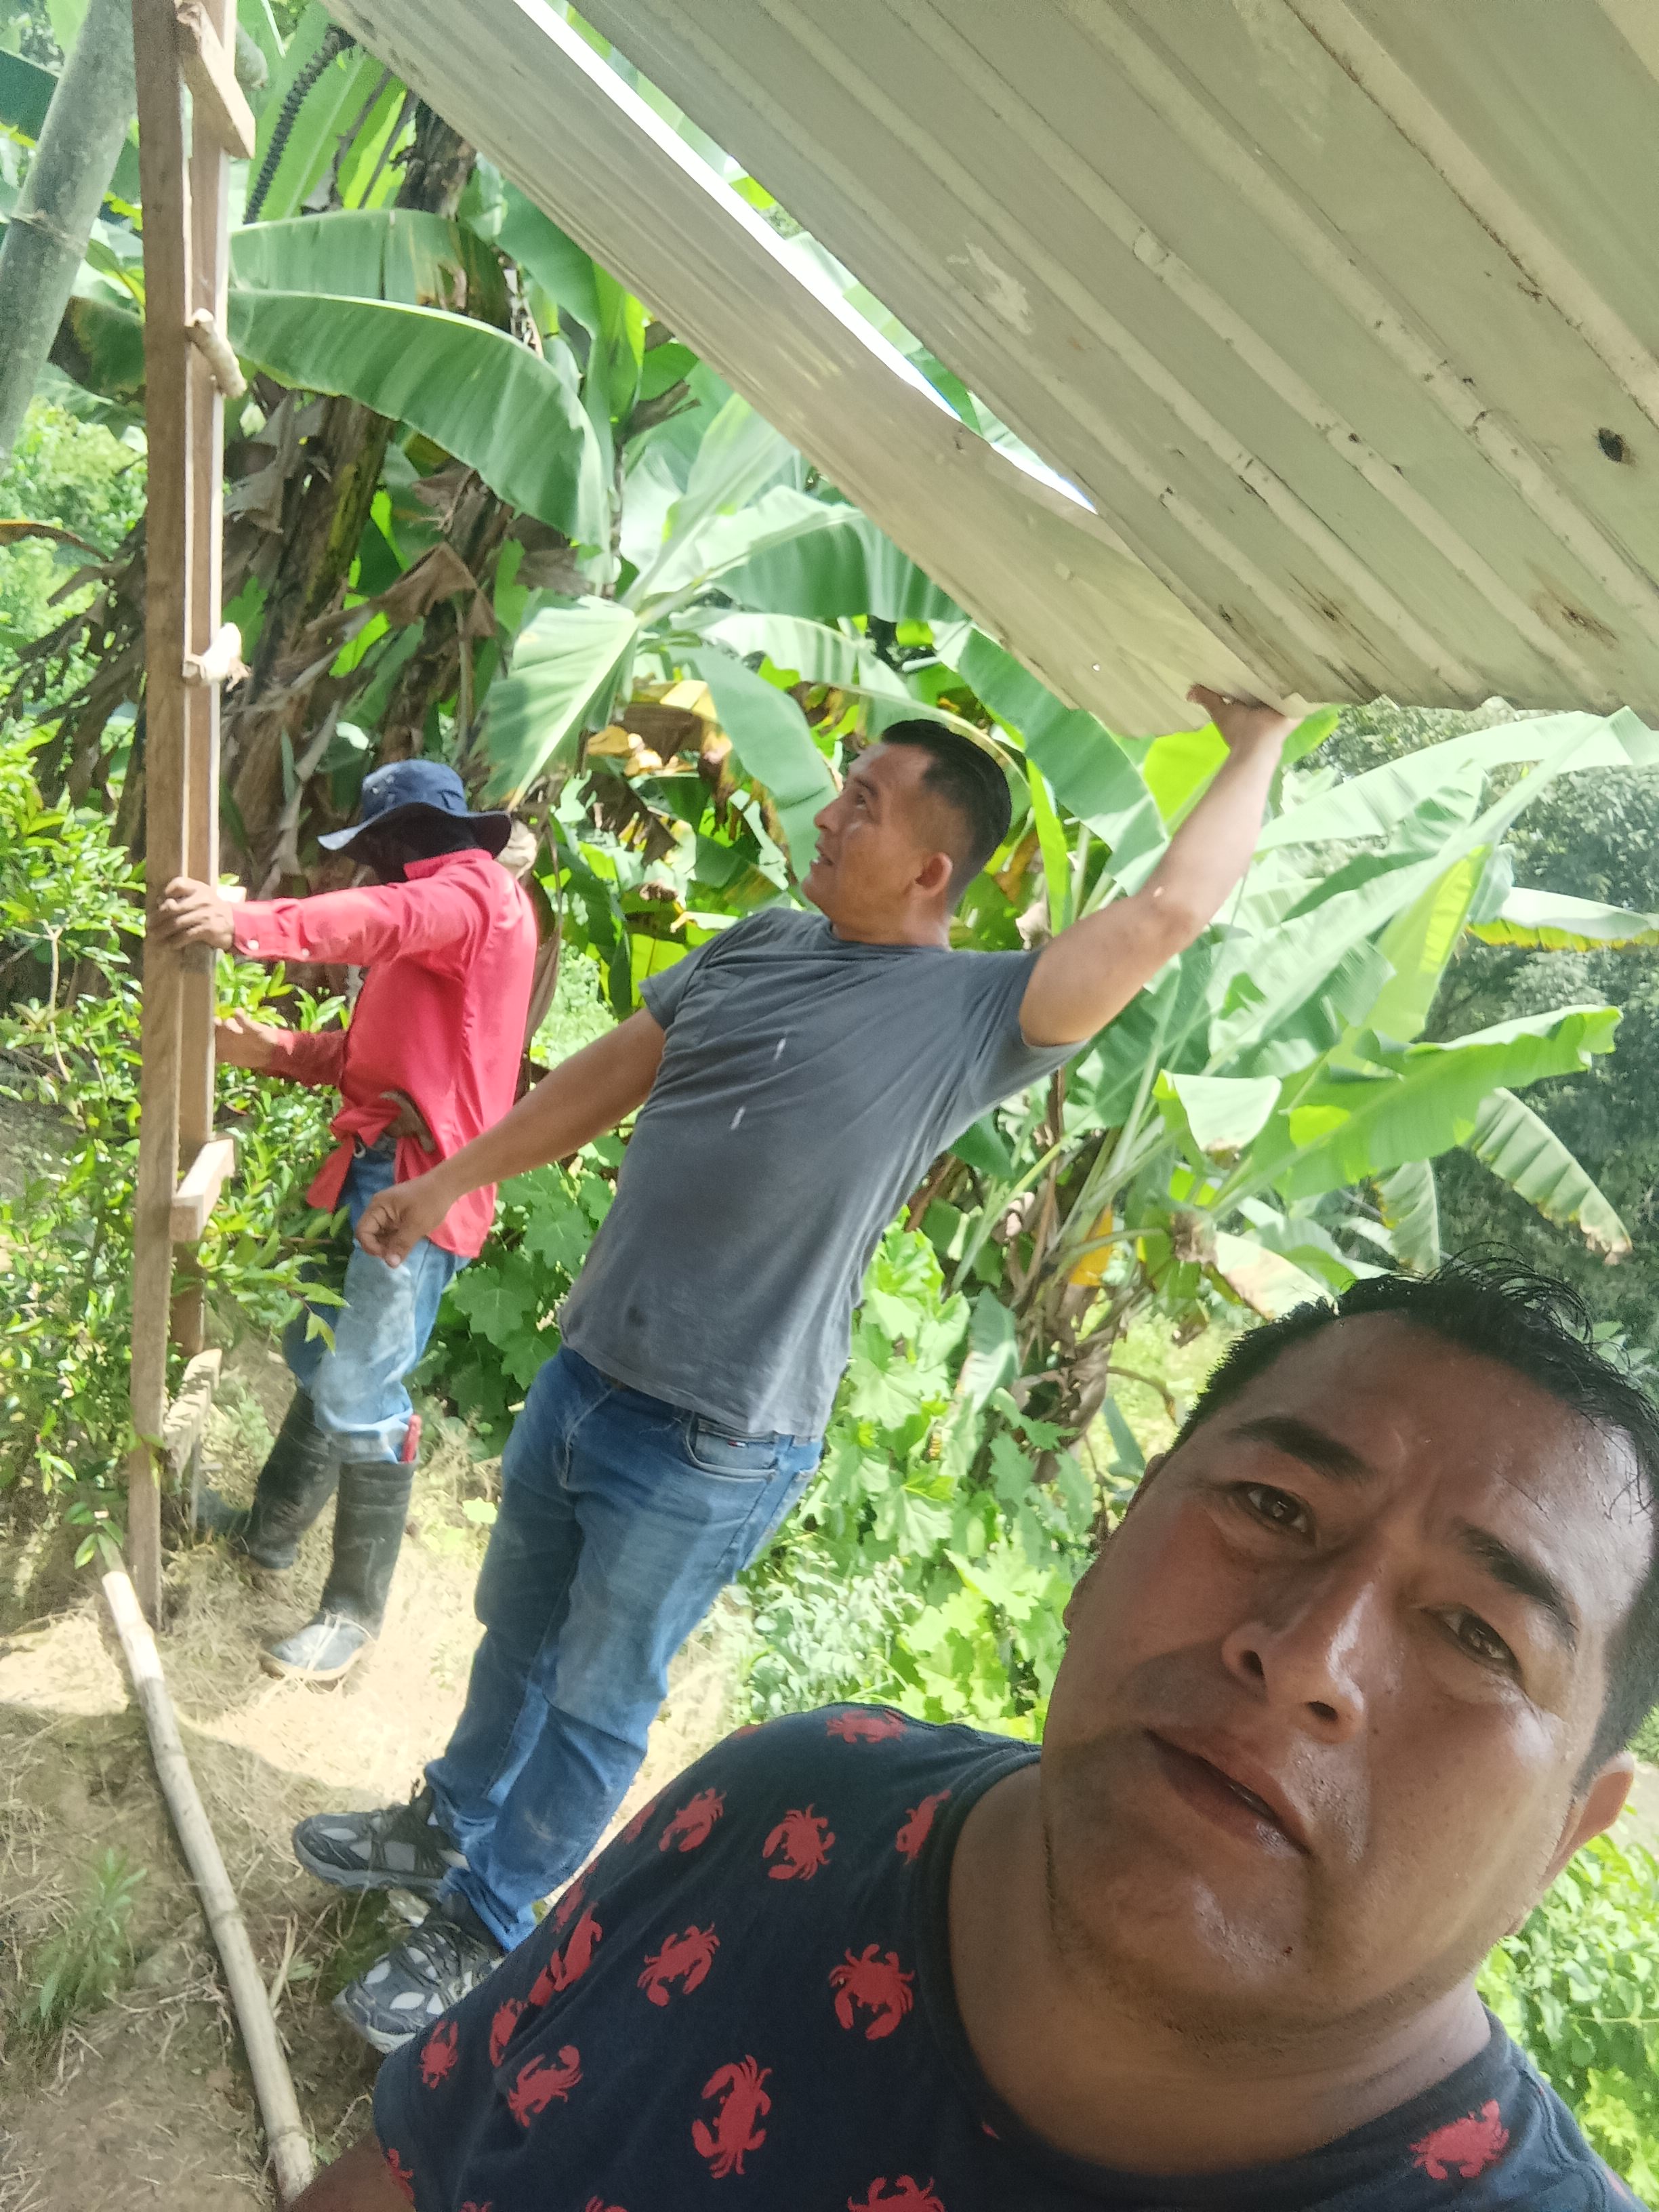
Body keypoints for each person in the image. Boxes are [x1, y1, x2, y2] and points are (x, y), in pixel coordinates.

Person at [297, 687, 1292, 2047]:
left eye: (864, 805)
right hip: (590, 1368)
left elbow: (1168, 914)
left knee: (597, 1698)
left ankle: (487, 1921)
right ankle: (448, 1823)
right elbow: (604, 1077)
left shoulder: (978, 1016)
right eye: (843, 789)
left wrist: (1259, 745)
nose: (829, 815)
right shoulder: (763, 941)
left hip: (717, 1435)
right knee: (514, 1630)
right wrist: (451, 1179)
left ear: (933, 869)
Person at [291, 1260, 1658, 2211]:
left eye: (1479, 1636)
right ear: (1111, 1540)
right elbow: (409, 2176)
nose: (1308, 1658)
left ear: (1570, 1832)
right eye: (1274, 1508)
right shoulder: (787, 1811)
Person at [153, 760, 537, 1683]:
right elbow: (370, 1059)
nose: (367, 867)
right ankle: (267, 1536)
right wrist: (275, 1049)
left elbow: (382, 918)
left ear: (399, 839)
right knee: (326, 1363)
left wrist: (245, 923)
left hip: (418, 1184)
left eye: (371, 848)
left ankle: (351, 1617)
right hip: (377, 1166)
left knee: (363, 1389)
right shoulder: (443, 923)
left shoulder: (471, 898)